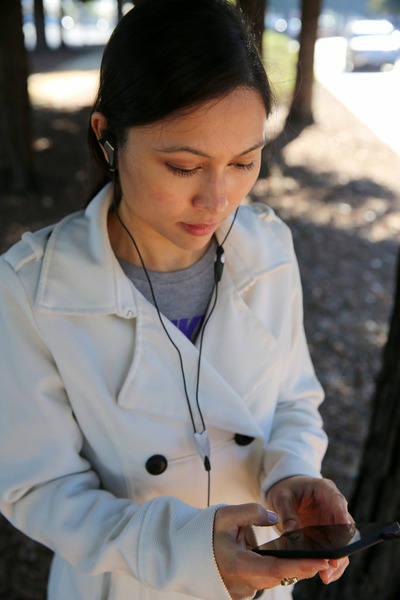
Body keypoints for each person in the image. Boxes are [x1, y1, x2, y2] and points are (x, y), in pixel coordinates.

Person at [0, 1, 352, 599]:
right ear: (107, 138)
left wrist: (292, 472)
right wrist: (182, 549)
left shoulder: (268, 248)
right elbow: (39, 487)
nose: (218, 199)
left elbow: (293, 398)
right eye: (185, 166)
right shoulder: (33, 289)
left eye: (243, 162)